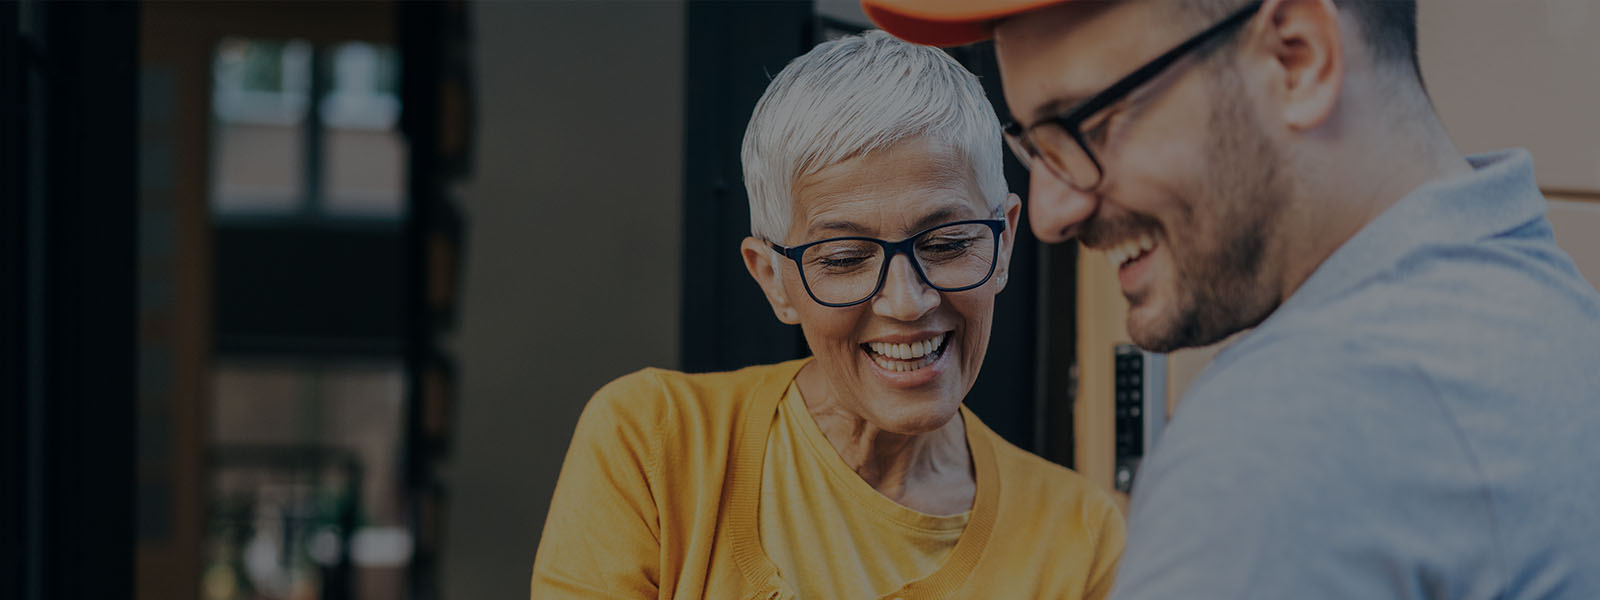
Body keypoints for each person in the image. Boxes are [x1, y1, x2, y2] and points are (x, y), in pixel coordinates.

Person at [865, 0, 1600, 597]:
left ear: (1296, 58)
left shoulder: (1285, 438)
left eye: (1085, 122)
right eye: (1033, 143)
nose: (1051, 212)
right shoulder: (1545, 312)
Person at [530, 30, 1123, 599]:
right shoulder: (656, 442)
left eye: (946, 244)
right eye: (844, 258)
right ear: (773, 279)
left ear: (1005, 243)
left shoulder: (1079, 536)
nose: (907, 301)